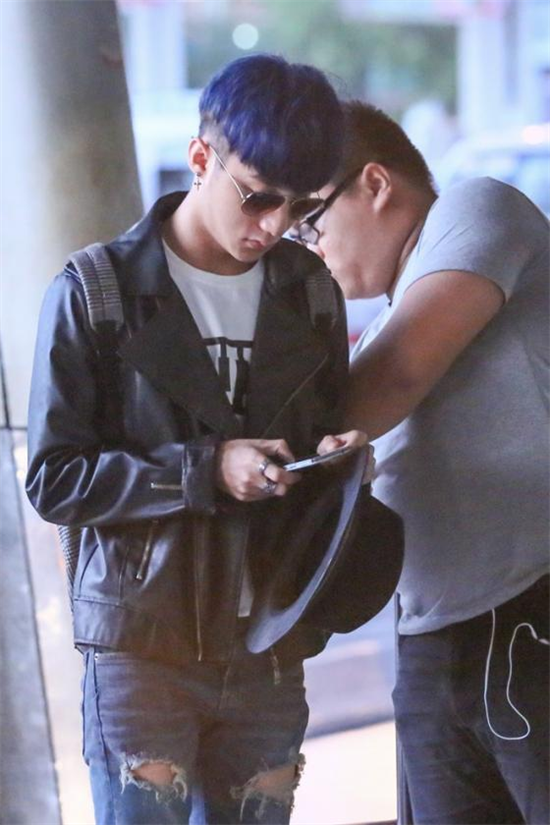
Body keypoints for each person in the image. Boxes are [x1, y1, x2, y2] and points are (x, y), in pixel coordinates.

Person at [26, 56, 366, 825]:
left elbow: (314, 443)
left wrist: (334, 463)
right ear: (200, 157)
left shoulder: (308, 291)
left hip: (270, 641)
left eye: (302, 206)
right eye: (260, 196)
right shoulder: (98, 290)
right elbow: (54, 477)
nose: (275, 225)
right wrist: (205, 470)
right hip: (143, 648)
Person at [298, 100, 550, 825]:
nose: (309, 246)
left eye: (311, 220)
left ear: (375, 183)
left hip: (529, 614)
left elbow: (399, 373)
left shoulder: (477, 208)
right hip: (430, 641)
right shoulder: (384, 320)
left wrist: (271, 451)